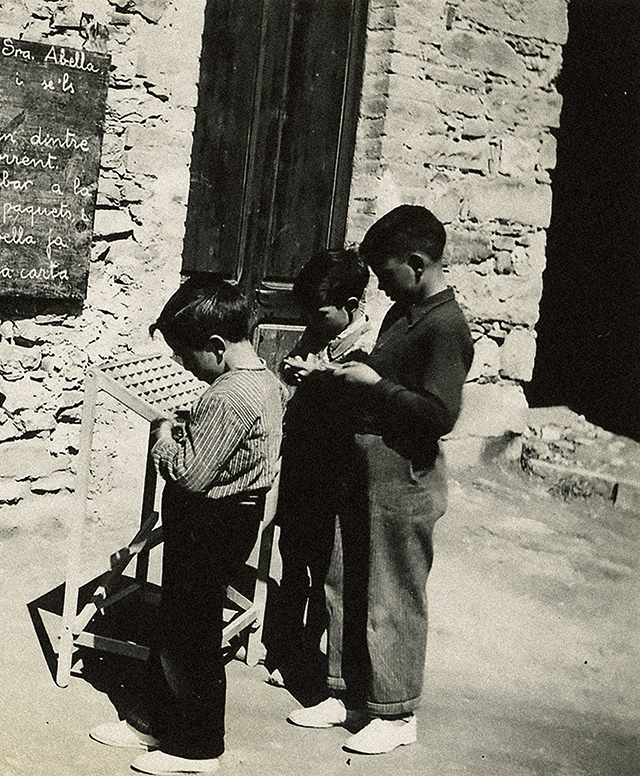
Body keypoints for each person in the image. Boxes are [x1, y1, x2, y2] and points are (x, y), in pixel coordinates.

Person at [286, 205, 474, 755]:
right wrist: (332, 374)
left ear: (416, 264)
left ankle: (396, 712)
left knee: (392, 593)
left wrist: (371, 385)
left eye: (386, 274)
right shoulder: (405, 312)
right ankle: (347, 693)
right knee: (345, 579)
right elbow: (384, 378)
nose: (382, 290)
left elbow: (438, 415)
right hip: (363, 469)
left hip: (403, 477)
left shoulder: (444, 326)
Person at [88, 275, 284, 775]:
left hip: (211, 520)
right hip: (227, 515)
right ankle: (157, 720)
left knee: (193, 636)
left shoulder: (228, 396)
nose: (182, 365)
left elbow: (192, 473)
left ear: (216, 348)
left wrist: (164, 434)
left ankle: (197, 747)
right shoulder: (262, 379)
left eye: (186, 355)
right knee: (176, 624)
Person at [262, 248, 373, 703]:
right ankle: (291, 649)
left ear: (350, 306)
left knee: (327, 571)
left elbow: (353, 411)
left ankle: (320, 663)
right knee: (294, 557)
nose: (312, 318)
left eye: (320, 310)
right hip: (301, 466)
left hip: (332, 472)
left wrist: (320, 381)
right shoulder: (316, 334)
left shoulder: (362, 347)